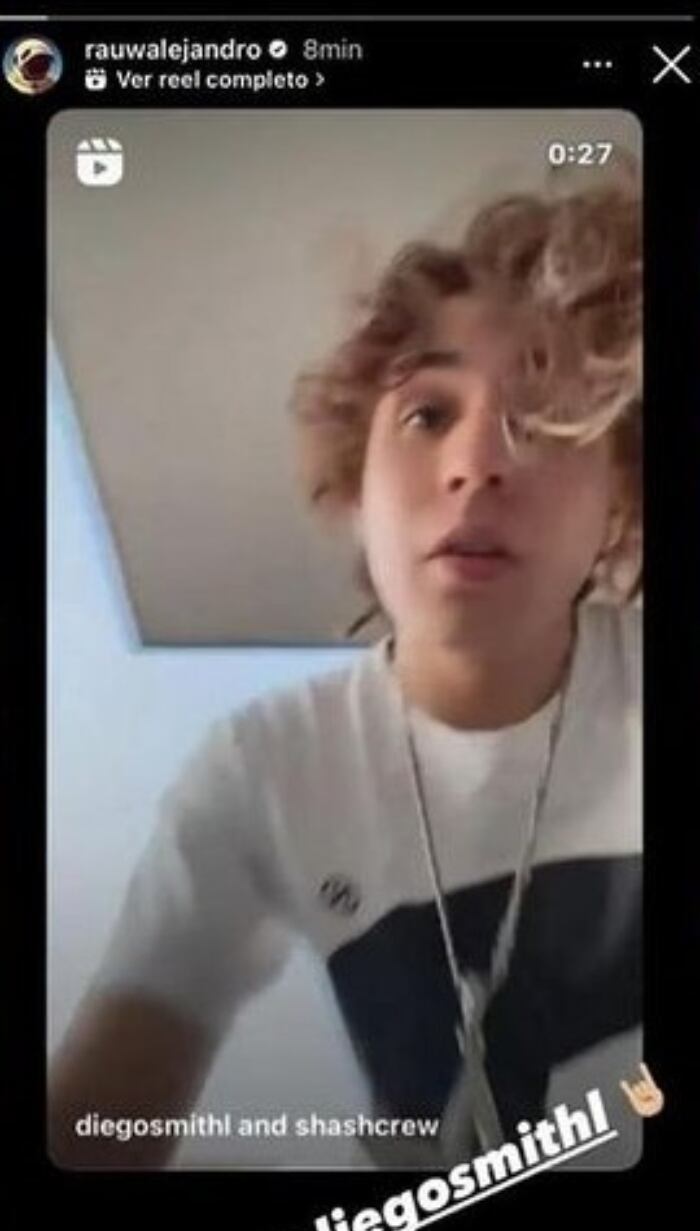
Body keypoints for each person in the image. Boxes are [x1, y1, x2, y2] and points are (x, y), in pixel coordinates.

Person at [48, 172, 642, 1170]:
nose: (475, 463)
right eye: (426, 414)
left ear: (618, 498)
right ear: (355, 485)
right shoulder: (262, 770)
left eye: (542, 418)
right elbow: (98, 1118)